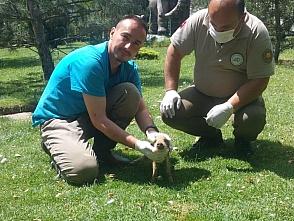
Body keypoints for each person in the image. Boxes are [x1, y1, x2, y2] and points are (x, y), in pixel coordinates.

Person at [32, 15, 170, 185]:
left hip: (90, 115)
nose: (128, 46)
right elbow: (99, 120)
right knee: (84, 172)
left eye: (136, 43)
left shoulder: (128, 68)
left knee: (130, 93)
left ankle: (102, 153)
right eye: (125, 37)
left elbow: (140, 108)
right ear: (112, 33)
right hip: (60, 120)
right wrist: (138, 145)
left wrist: (151, 132)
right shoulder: (90, 62)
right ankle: (54, 143)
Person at [160, 0, 275, 155]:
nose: (218, 30)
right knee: (172, 113)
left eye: (226, 27)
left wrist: (230, 106)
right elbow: (174, 51)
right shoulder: (198, 20)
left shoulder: (257, 31)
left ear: (242, 18)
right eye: (213, 23)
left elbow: (260, 79)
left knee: (252, 119)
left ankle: (243, 140)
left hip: (241, 98)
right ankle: (211, 136)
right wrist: (170, 91)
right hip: (203, 93)